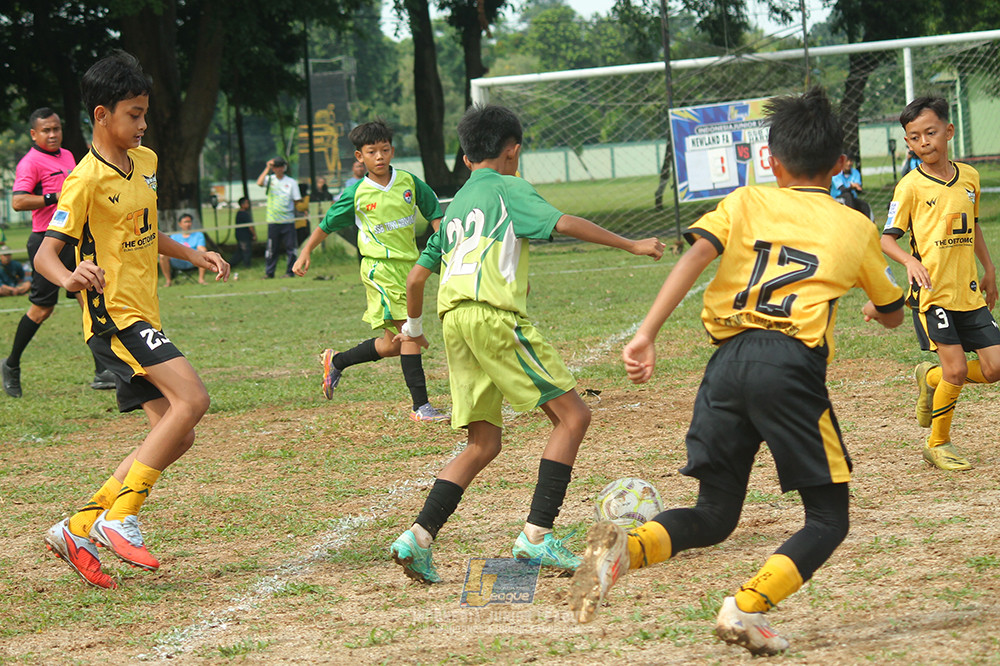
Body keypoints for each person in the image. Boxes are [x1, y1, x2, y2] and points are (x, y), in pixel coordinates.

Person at [567, 88, 904, 656]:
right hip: (789, 367)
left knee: (715, 513)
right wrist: (876, 307)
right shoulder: (856, 227)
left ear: (771, 162)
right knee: (827, 517)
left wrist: (647, 332)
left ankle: (626, 547)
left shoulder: (746, 199)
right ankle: (745, 608)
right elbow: (891, 313)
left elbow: (697, 254)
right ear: (841, 165)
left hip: (726, 365)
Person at [388, 104, 665, 584]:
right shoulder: (509, 188)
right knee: (574, 415)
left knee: (483, 441)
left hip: (452, 320)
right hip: (490, 319)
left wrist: (412, 328)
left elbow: (416, 277)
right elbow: (562, 223)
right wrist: (632, 244)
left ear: (465, 154)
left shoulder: (454, 210)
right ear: (512, 152)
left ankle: (417, 537)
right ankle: (535, 540)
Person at [36, 51, 229, 590]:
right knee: (193, 401)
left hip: (142, 311)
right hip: (114, 318)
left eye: (146, 114)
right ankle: (119, 518)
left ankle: (77, 527)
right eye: (134, 114)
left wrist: (192, 253)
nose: (143, 125)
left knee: (178, 433)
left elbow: (142, 231)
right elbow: (46, 255)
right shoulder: (83, 180)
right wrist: (70, 277)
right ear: (102, 115)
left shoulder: (144, 162)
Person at [293, 120, 449, 422]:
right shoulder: (358, 193)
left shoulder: (409, 182)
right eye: (372, 151)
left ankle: (336, 361)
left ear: (392, 151)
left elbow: (434, 215)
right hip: (380, 269)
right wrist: (306, 250)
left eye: (385, 149)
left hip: (411, 267)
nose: (380, 156)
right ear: (359, 157)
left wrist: (444, 243)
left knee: (393, 345)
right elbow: (327, 224)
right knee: (410, 333)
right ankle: (421, 407)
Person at [880, 96, 1000, 472]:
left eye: (930, 133)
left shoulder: (970, 177)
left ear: (948, 132)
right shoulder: (910, 187)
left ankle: (928, 377)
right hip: (933, 296)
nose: (923, 142)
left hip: (968, 293)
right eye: (914, 137)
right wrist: (909, 260)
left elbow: (974, 225)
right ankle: (937, 442)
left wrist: (990, 270)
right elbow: (886, 239)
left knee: (995, 368)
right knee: (957, 372)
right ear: (908, 143)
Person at [2, 107, 116, 398]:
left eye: (56, 129)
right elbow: (18, 202)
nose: (52, 135)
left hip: (73, 240)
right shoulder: (30, 163)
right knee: (42, 309)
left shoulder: (67, 155)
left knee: (88, 302)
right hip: (46, 243)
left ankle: (103, 371)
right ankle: (11, 365)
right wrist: (52, 196)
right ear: (34, 134)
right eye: (46, 130)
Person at [256, 156, 301, 278]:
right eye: (275, 167)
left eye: (280, 166)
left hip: (288, 220)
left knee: (291, 248)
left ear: (284, 167)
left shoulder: (291, 182)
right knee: (271, 249)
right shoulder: (270, 179)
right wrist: (267, 168)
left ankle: (290, 272)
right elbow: (259, 183)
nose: (278, 169)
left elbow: (297, 200)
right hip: (273, 220)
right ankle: (269, 272)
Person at [159, 213, 207, 285]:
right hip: (178, 259)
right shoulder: (175, 236)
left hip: (192, 259)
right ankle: (168, 281)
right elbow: (170, 250)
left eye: (189, 222)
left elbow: (201, 248)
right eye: (185, 222)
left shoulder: (198, 235)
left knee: (203, 252)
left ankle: (201, 279)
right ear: (180, 224)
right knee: (162, 256)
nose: (187, 224)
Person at [830, 154, 872, 220]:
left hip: (851, 198)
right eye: (847, 161)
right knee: (848, 195)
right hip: (837, 198)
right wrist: (852, 186)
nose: (849, 163)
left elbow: (858, 191)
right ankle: (852, 220)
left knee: (864, 205)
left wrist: (858, 188)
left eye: (851, 161)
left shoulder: (855, 173)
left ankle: (869, 225)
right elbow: (842, 189)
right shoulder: (836, 173)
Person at [229, 197, 256, 268]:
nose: (248, 205)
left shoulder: (239, 213)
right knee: (246, 251)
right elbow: (250, 226)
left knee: (240, 252)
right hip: (244, 236)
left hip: (239, 235)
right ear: (242, 204)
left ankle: (231, 264)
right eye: (247, 203)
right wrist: (254, 234)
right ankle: (247, 266)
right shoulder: (245, 214)